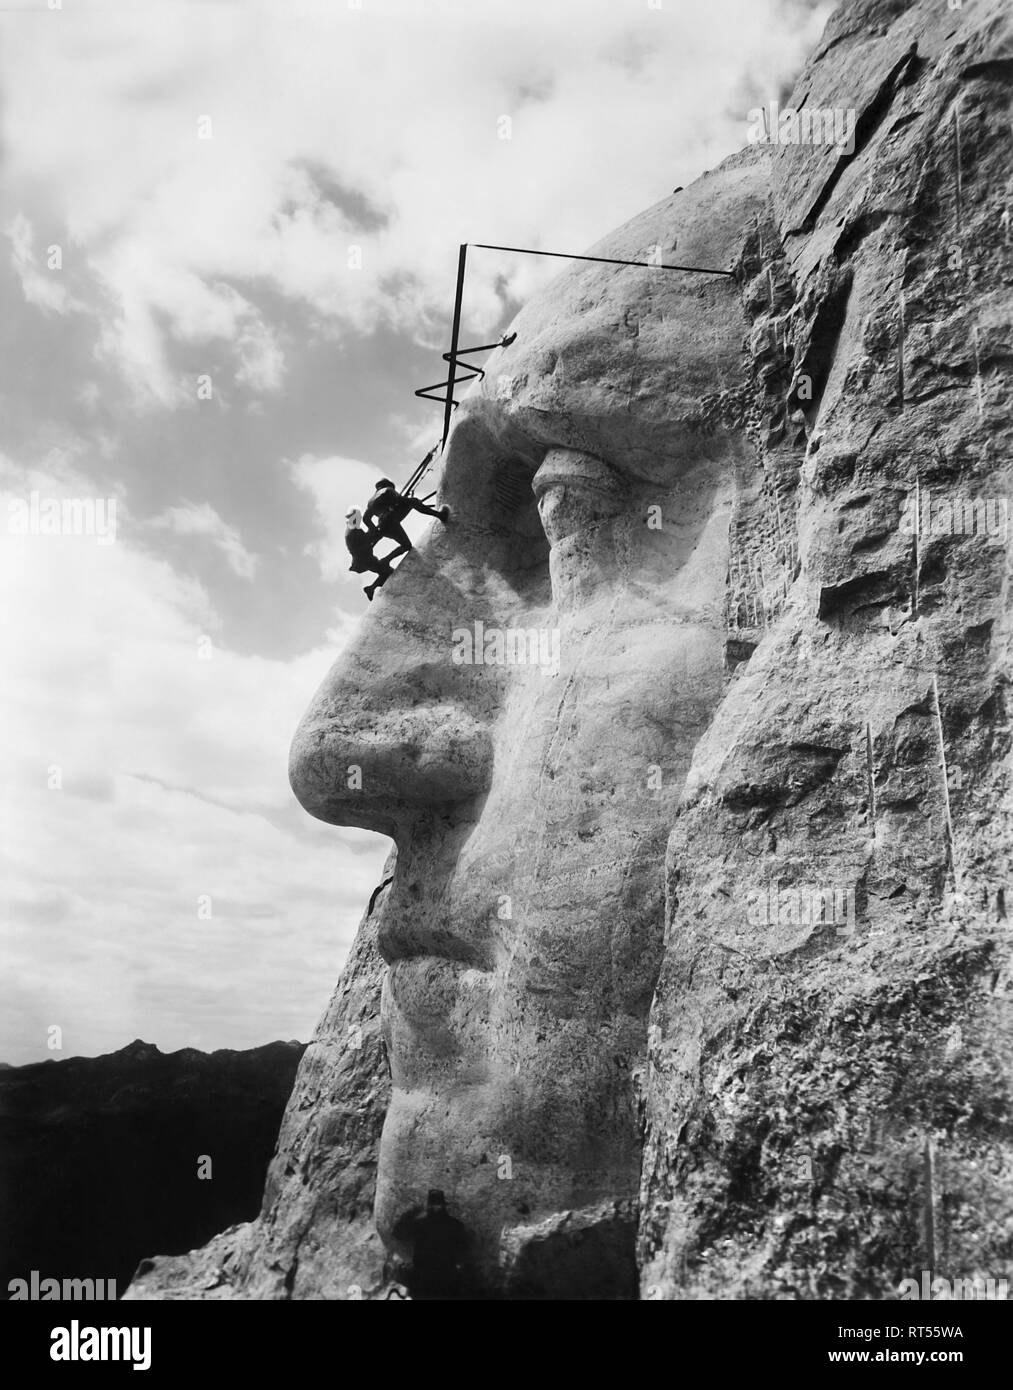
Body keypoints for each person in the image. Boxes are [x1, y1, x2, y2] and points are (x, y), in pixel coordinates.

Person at [364, 478, 449, 564]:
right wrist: (415, 501)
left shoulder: (370, 501)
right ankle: (440, 515)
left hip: (382, 525)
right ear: (388, 485)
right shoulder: (388, 490)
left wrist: (374, 529)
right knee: (413, 502)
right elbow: (401, 501)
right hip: (391, 519)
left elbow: (366, 519)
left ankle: (385, 560)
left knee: (406, 545)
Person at [344, 508, 392, 601]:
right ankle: (371, 588)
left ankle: (372, 588)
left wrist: (373, 534)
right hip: (364, 560)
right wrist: (374, 533)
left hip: (363, 559)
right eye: (357, 518)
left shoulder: (351, 529)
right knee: (386, 572)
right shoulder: (353, 531)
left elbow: (365, 540)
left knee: (385, 572)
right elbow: (365, 541)